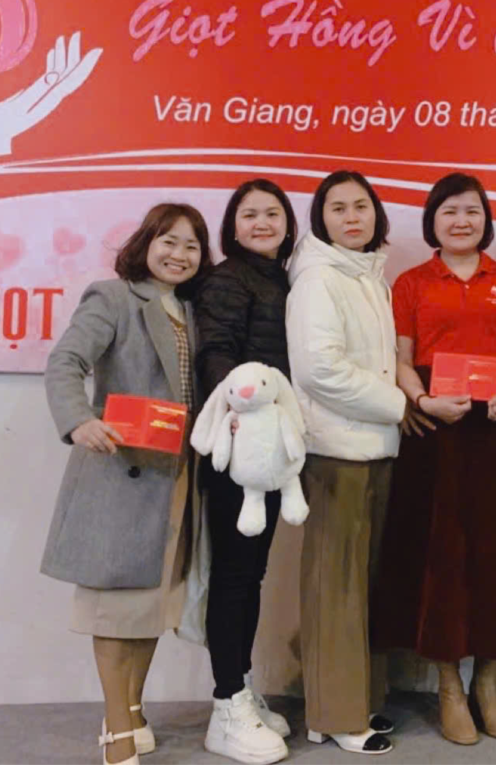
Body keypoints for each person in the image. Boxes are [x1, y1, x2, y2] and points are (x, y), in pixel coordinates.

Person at [372, 172, 496, 746]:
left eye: (472, 211)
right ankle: (449, 687)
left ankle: (488, 686)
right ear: (433, 220)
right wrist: (422, 400)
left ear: (485, 219)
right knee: (442, 556)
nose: (461, 221)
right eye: (449, 211)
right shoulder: (411, 282)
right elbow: (401, 360)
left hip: (495, 430)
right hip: (436, 431)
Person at [41, 202, 211, 765]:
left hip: (176, 475)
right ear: (146, 244)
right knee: (116, 610)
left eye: (191, 245)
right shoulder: (113, 297)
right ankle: (115, 730)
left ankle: (133, 711)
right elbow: (65, 361)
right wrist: (79, 421)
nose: (179, 254)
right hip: (122, 473)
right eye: (169, 241)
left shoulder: (194, 310)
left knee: (151, 607)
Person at [287, 170, 410, 756]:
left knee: (360, 587)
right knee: (334, 588)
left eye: (361, 205)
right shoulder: (318, 278)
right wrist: (399, 405)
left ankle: (349, 703)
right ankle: (334, 714)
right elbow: (319, 370)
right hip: (335, 452)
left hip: (374, 448)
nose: (351, 217)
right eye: (337, 208)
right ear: (322, 220)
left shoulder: (367, 274)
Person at [195, 179, 298, 765]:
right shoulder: (227, 279)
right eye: (250, 214)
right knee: (235, 576)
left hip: (273, 453)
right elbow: (216, 351)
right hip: (237, 449)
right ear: (232, 227)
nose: (262, 222)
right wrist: (236, 416)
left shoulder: (284, 278)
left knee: (251, 575)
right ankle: (226, 704)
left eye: (272, 213)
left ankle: (240, 686)